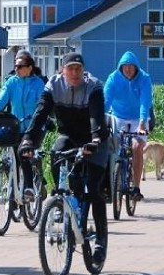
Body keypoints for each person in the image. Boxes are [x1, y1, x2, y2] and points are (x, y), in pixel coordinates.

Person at [20, 52, 110, 262]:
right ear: (63, 70)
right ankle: (64, 201)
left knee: (94, 188)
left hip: (94, 139)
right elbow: (40, 114)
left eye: (79, 68)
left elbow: (97, 117)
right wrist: (28, 140)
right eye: (70, 68)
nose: (75, 72)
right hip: (69, 136)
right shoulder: (53, 86)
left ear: (83, 70)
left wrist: (96, 140)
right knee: (56, 151)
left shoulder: (93, 86)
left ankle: (100, 242)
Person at [0, 50, 46, 203]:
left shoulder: (38, 83)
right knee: (15, 158)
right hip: (16, 127)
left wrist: (40, 119)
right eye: (16, 66)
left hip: (33, 127)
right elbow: (1, 100)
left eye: (21, 66)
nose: (17, 69)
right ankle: (15, 187)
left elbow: (42, 104)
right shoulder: (12, 82)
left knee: (24, 153)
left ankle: (30, 187)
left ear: (30, 67)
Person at [104, 50, 153, 201]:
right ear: (120, 67)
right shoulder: (113, 78)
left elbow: (145, 103)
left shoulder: (144, 78)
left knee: (137, 147)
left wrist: (142, 123)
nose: (128, 70)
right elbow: (106, 101)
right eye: (125, 67)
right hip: (118, 116)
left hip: (139, 117)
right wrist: (100, 120)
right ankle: (109, 183)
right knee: (111, 146)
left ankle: (136, 187)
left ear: (136, 67)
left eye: (131, 67)